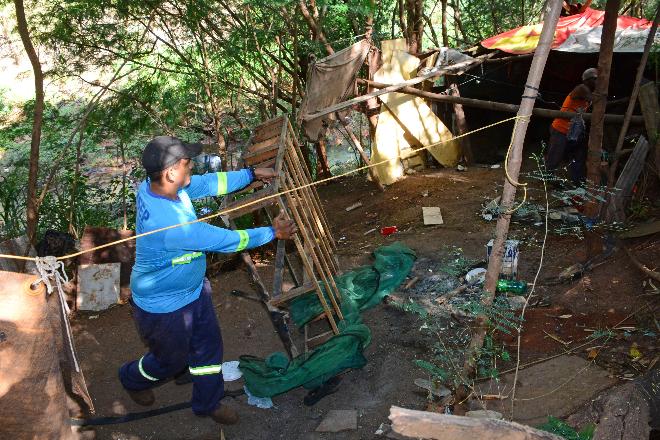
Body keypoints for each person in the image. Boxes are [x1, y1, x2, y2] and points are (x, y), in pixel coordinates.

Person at [118, 135, 297, 425]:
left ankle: (207, 403)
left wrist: (250, 175)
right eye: (187, 164)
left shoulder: (155, 186)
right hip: (163, 307)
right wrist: (271, 233)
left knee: (208, 347)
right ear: (172, 172)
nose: (192, 168)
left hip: (193, 290)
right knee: (169, 361)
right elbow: (224, 240)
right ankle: (132, 378)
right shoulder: (169, 224)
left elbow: (207, 184)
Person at [546, 67, 598, 185]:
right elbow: (596, 101)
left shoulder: (588, 93)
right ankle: (548, 181)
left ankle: (577, 181)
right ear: (588, 80)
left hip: (573, 132)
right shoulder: (582, 88)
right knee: (555, 157)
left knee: (578, 156)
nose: (598, 82)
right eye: (596, 79)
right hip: (561, 129)